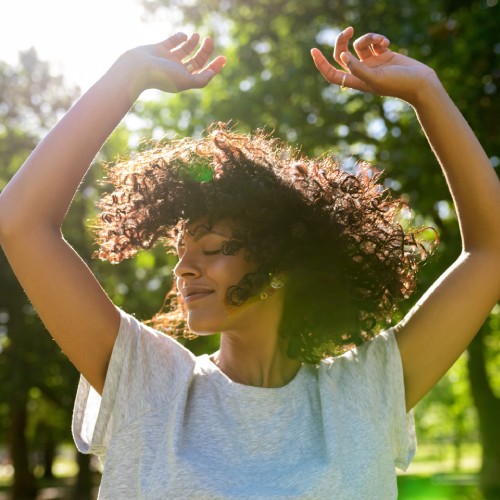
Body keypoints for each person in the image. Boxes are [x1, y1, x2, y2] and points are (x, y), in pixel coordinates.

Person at [0, 25, 499, 499]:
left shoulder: (362, 393)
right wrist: (125, 76)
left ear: (282, 259)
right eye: (180, 252)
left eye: (211, 248)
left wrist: (427, 92)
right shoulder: (149, 384)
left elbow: (491, 252)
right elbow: (20, 223)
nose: (183, 270)